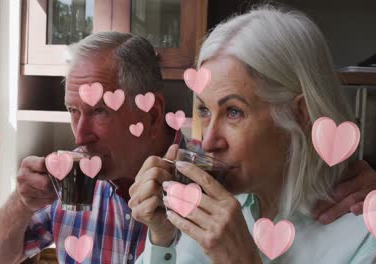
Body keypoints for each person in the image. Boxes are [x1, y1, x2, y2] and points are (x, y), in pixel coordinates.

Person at [0, 31, 375, 264]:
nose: (80, 135)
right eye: (72, 111)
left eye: (99, 110)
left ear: (153, 115)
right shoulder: (73, 179)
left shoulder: (220, 186)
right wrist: (22, 202)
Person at [130, 6, 376, 264]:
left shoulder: (363, 236)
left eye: (234, 112)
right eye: (204, 109)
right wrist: (162, 238)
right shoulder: (202, 202)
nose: (208, 141)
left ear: (301, 115)